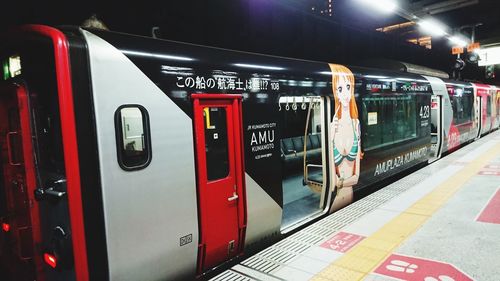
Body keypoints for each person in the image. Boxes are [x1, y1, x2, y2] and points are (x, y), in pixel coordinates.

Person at [329, 64, 361, 211]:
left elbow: (357, 177)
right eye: (340, 89)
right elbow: (332, 179)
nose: (345, 93)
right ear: (335, 93)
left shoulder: (356, 124)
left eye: (348, 87)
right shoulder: (333, 128)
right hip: (338, 199)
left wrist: (340, 182)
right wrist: (331, 136)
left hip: (350, 196)